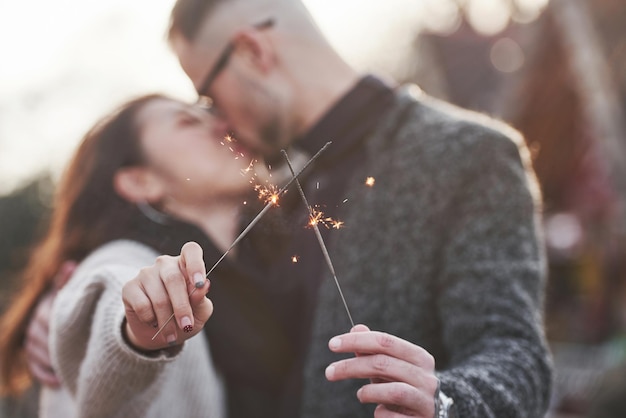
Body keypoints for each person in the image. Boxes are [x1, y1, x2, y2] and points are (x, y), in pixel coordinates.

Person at [24, 0, 554, 417]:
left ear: (254, 52)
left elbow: (516, 355)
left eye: (207, 94)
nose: (219, 120)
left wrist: (444, 401)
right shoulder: (274, 194)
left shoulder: (468, 154)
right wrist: (80, 312)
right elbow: (129, 285)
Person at [0, 93, 282, 417]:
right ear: (140, 182)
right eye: (188, 122)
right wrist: (136, 332)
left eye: (212, 114)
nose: (222, 125)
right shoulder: (122, 259)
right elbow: (114, 288)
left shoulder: (285, 249)